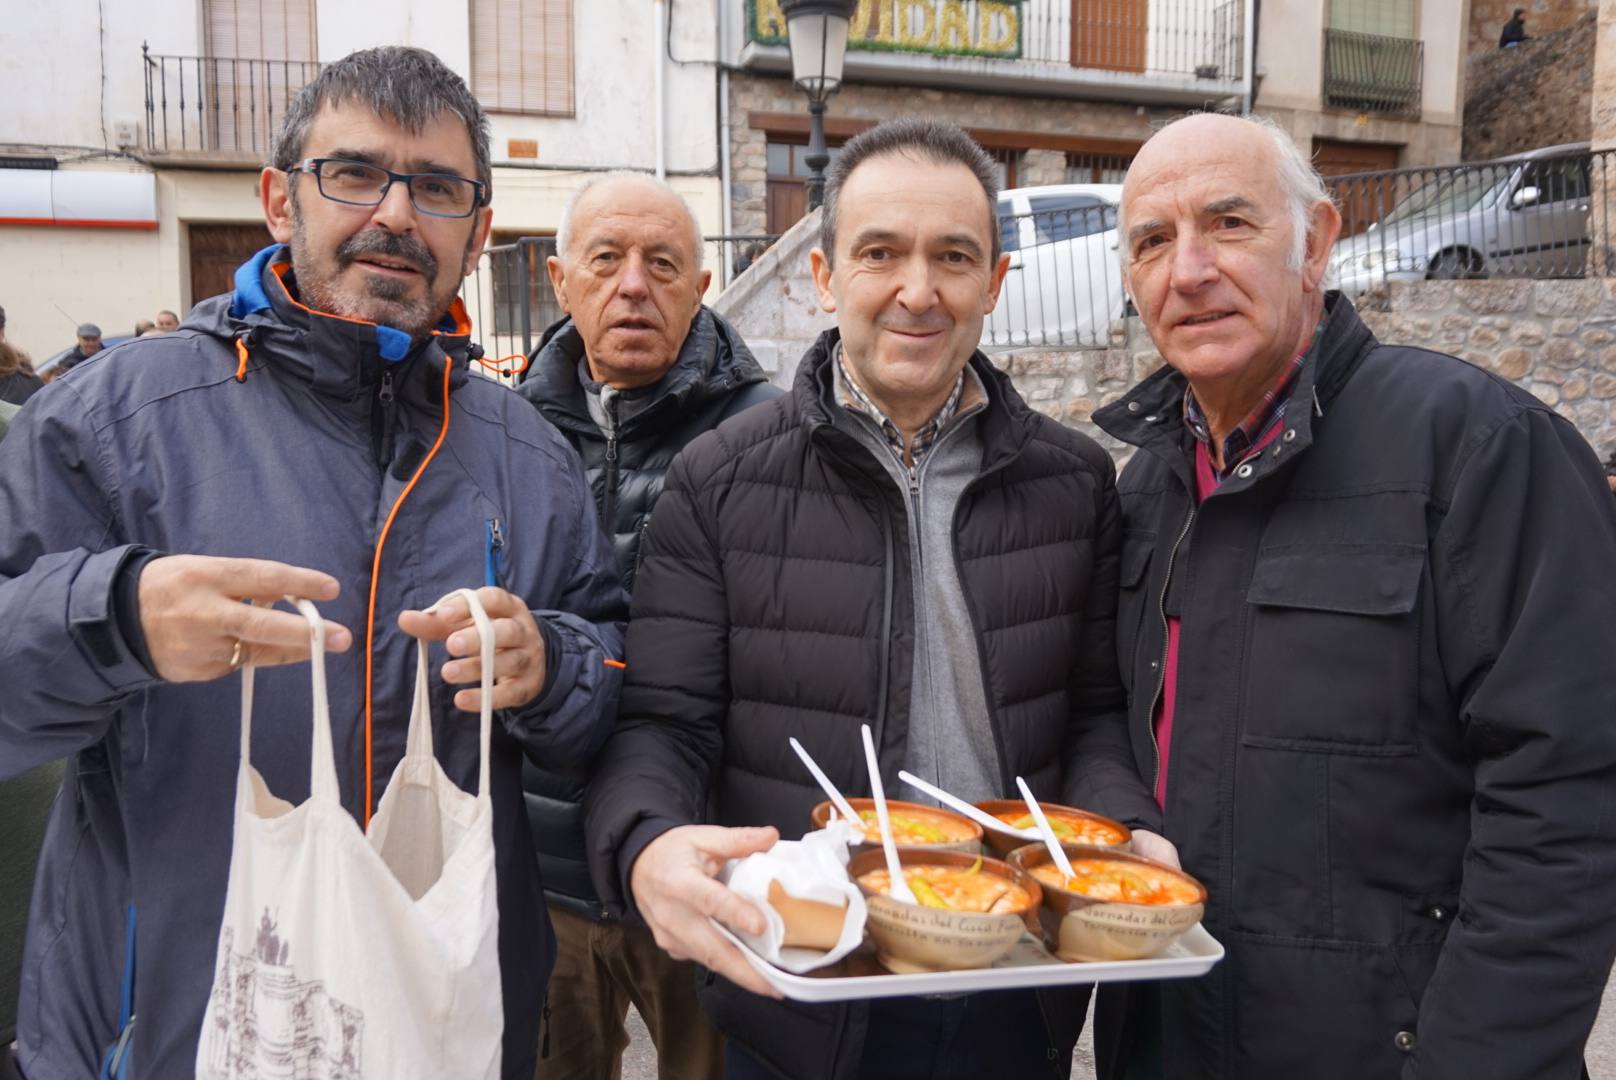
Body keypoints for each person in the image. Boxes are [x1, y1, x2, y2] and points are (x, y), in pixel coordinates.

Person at [0, 46, 626, 1080]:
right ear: (279, 201)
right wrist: (112, 619)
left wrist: (551, 667)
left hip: (448, 1028)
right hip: (167, 1028)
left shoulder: (527, 452)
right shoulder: (117, 417)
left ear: (475, 232)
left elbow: (609, 673)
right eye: (353, 173)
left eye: (435, 188)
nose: (393, 214)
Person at [585, 118, 1170, 1080]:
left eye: (953, 257)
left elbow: (1096, 713)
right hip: (804, 986)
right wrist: (647, 842)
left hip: (1011, 984)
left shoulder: (1073, 484)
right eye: (880, 253)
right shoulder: (719, 481)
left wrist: (1122, 828)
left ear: (995, 284)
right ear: (824, 277)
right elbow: (664, 722)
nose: (918, 290)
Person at [1090, 112, 1616, 1080]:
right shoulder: (1144, 491)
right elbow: (1111, 728)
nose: (1188, 269)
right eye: (1151, 242)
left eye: (1228, 224)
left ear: (1316, 242)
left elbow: (1567, 807)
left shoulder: (1476, 449)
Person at [516, 172, 780, 1080]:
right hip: (545, 871)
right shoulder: (505, 432)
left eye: (663, 263)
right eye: (607, 260)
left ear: (701, 288)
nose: (634, 284)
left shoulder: (769, 435)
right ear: (560, 281)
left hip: (701, 867)